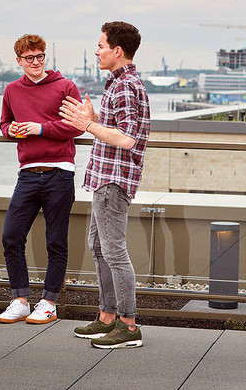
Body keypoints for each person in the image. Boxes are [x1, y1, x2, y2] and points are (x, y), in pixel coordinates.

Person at [59, 21, 150, 349]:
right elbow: (115, 127)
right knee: (99, 248)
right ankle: (107, 317)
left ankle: (128, 325)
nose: (96, 51)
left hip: (113, 179)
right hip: (103, 177)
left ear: (117, 51)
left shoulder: (126, 85)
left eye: (100, 45)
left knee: (114, 251)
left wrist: (89, 124)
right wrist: (94, 118)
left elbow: (126, 138)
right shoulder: (118, 83)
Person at [0, 34, 84, 324]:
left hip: (60, 172)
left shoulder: (65, 86)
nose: (36, 62)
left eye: (40, 56)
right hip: (27, 173)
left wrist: (40, 129)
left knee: (55, 241)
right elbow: (4, 124)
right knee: (11, 235)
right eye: (29, 58)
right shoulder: (11, 90)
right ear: (19, 61)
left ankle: (49, 302)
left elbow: (76, 126)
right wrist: (13, 131)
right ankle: (20, 301)